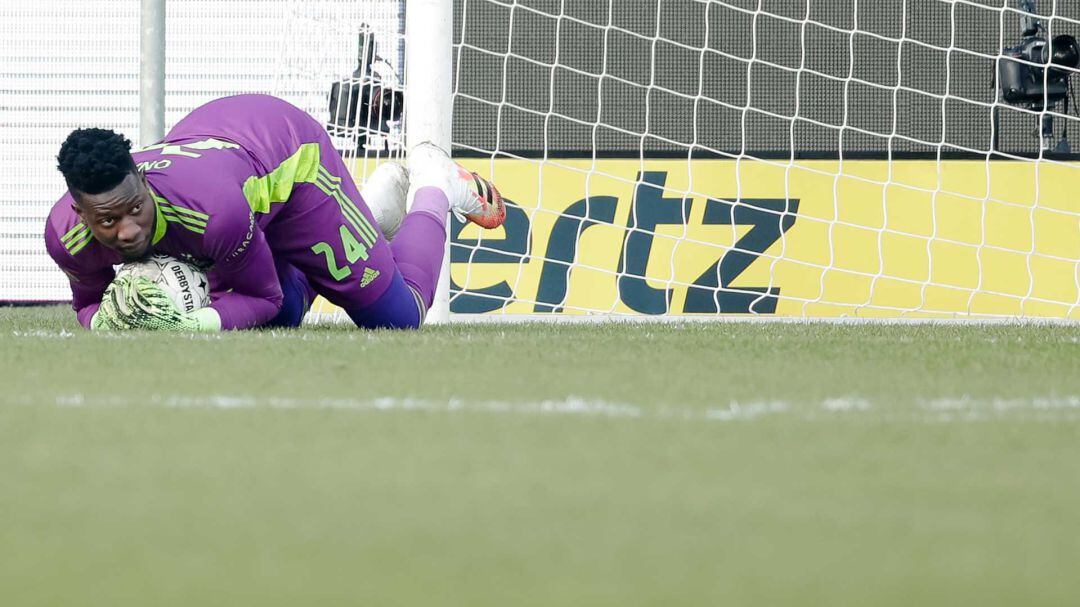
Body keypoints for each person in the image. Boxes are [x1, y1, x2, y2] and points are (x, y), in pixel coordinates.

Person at [45, 94, 504, 331]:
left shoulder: (212, 214)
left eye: (135, 210)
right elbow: (89, 303)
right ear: (80, 214)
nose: (127, 231)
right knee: (279, 323)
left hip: (291, 158)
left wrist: (196, 323)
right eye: (108, 221)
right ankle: (373, 214)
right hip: (233, 172)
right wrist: (109, 323)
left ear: (144, 183)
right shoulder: (65, 237)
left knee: (398, 318)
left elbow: (261, 296)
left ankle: (435, 184)